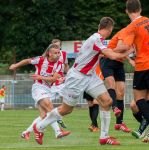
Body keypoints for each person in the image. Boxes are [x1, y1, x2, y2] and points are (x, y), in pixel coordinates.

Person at [32, 17, 132, 145]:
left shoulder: (97, 39)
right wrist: (129, 51)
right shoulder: (96, 39)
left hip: (90, 76)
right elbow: (111, 55)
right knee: (66, 109)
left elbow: (106, 53)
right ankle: (39, 127)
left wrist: (120, 51)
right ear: (110, 29)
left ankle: (104, 137)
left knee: (107, 102)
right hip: (77, 77)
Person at [9, 44, 70, 144]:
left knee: (44, 115)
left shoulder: (59, 64)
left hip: (48, 89)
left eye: (59, 52)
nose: (58, 55)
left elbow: (54, 79)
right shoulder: (41, 60)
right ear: (49, 53)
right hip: (38, 88)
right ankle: (58, 132)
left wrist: (40, 77)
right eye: (55, 53)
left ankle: (26, 132)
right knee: (50, 107)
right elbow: (27, 60)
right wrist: (16, 65)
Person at [124, 0, 149, 142]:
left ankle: (143, 129)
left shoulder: (132, 27)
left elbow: (126, 47)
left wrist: (110, 51)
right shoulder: (148, 21)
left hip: (143, 65)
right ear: (140, 8)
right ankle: (143, 130)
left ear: (126, 11)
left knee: (138, 100)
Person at [100, 27, 135, 133]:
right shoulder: (124, 32)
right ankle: (115, 107)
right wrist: (107, 52)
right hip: (107, 61)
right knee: (111, 83)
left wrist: (129, 59)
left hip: (119, 63)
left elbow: (123, 52)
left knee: (121, 92)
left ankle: (119, 123)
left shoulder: (133, 37)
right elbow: (120, 47)